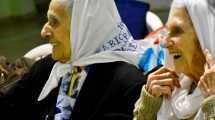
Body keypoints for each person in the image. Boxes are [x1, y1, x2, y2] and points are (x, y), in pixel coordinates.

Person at [0, 0, 152, 119]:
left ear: (84, 28)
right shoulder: (50, 67)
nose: (44, 32)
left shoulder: (127, 84)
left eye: (54, 22)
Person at [133, 0, 215, 119]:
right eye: (167, 31)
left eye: (177, 31)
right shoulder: (171, 88)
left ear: (207, 35)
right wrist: (148, 110)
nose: (164, 43)